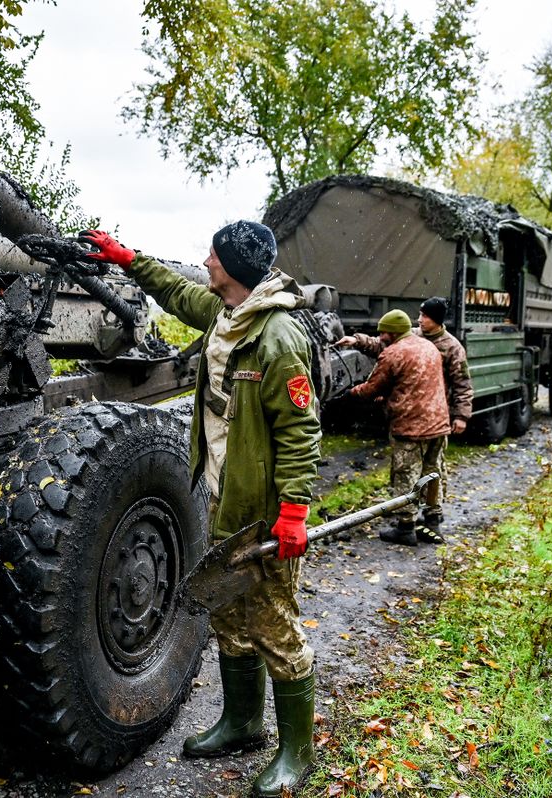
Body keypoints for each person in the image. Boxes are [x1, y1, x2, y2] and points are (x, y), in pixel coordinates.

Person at [80, 222, 321, 796]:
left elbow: (300, 431)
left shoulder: (278, 338)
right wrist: (128, 259)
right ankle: (242, 722)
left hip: (263, 512)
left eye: (211, 256)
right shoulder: (228, 314)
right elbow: (178, 293)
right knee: (229, 616)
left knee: (274, 625)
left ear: (234, 267)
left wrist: (294, 512)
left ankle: (297, 752)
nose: (204, 262)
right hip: (223, 496)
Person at [336, 297, 470, 541]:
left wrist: (348, 396)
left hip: (411, 424)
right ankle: (432, 522)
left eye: (425, 316)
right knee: (434, 472)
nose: (420, 320)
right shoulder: (423, 343)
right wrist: (357, 340)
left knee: (406, 473)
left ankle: (406, 526)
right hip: (438, 421)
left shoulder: (449, 347)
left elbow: (373, 386)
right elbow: (389, 353)